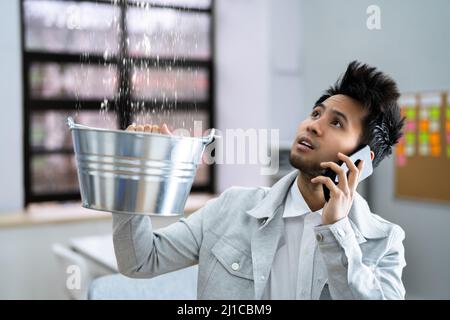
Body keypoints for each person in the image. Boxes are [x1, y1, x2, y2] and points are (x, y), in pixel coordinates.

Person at [113, 61, 406, 300]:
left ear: (360, 162)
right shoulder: (232, 206)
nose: (313, 125)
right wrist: (137, 172)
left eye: (336, 122)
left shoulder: (384, 242)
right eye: (316, 113)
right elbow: (139, 260)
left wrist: (336, 231)